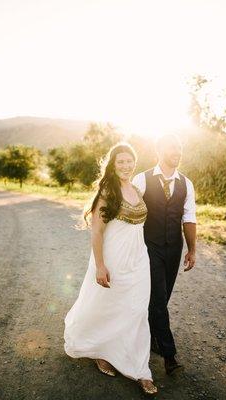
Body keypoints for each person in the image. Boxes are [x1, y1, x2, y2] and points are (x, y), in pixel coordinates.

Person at [64, 142, 158, 395]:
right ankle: (100, 351)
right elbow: (97, 230)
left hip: (139, 259)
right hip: (113, 258)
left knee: (137, 310)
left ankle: (140, 370)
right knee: (105, 306)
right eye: (120, 162)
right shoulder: (108, 190)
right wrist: (100, 266)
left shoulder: (137, 189)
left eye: (129, 161)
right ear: (113, 165)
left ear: (134, 162)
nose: (126, 165)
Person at [132, 133, 197, 375]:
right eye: (172, 147)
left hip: (174, 248)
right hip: (149, 247)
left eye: (180, 147)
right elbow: (129, 209)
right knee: (158, 298)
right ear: (159, 150)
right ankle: (169, 355)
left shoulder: (186, 183)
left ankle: (149, 337)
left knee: (163, 296)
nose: (177, 152)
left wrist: (192, 249)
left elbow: (189, 218)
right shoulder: (142, 179)